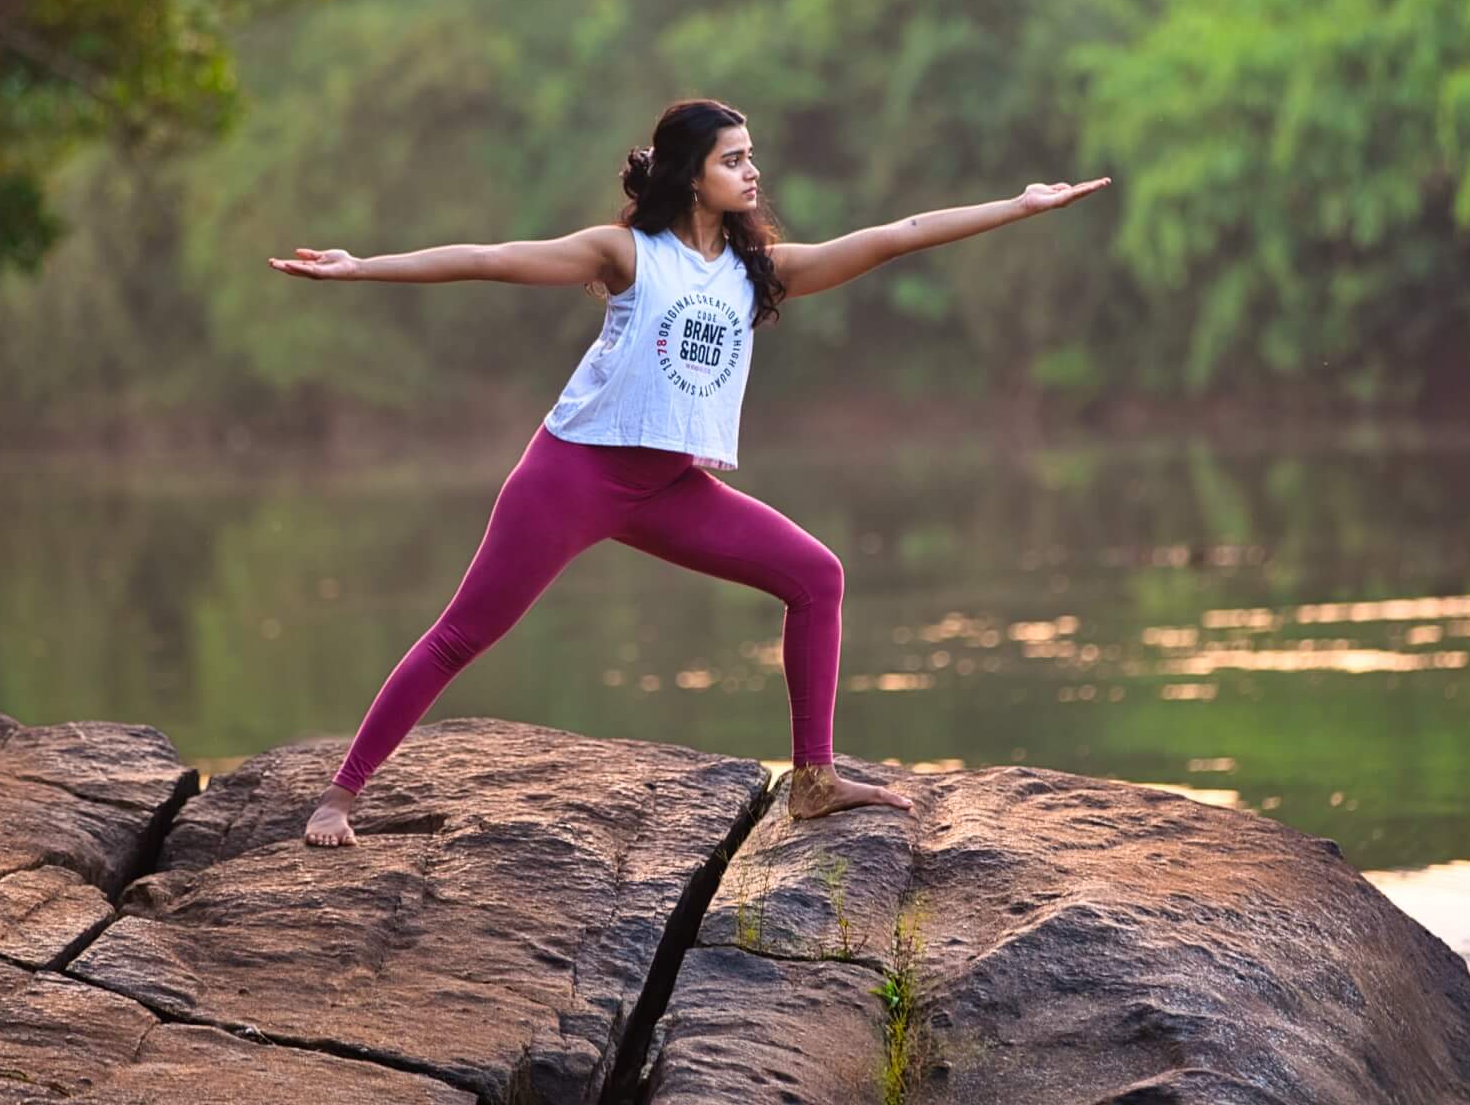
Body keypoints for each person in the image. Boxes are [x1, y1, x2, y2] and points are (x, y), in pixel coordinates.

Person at [269, 97, 1111, 846]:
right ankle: (340, 797)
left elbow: (900, 235)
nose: (752, 171)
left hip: (669, 487)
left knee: (817, 575)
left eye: (751, 156)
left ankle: (813, 782)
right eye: (733, 159)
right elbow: (492, 257)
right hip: (573, 476)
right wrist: (361, 266)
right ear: (691, 175)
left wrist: (1020, 207)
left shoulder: (756, 271)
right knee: (463, 634)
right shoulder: (627, 253)